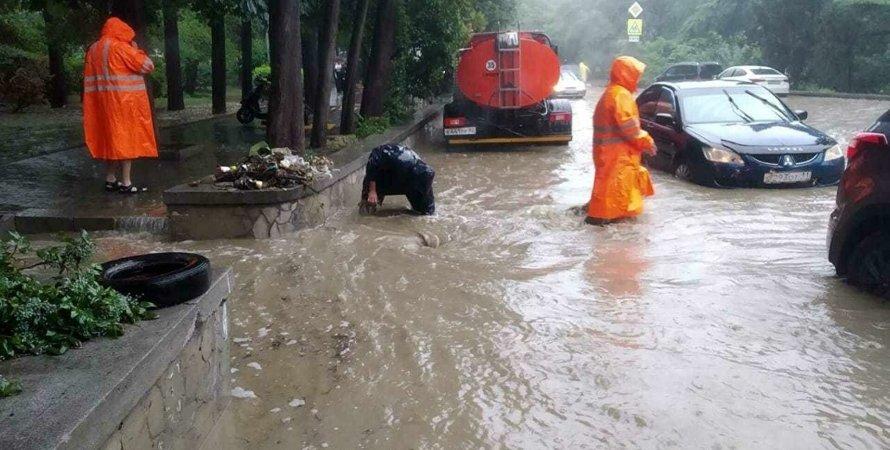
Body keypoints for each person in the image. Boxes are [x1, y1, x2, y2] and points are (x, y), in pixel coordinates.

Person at [82, 17, 158, 194]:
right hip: (123, 103)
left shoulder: (93, 49)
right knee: (126, 141)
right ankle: (126, 183)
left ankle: (110, 178)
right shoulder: (121, 48)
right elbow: (148, 66)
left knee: (110, 140)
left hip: (100, 105)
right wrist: (136, 50)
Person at [586, 56, 657, 225]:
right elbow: (631, 130)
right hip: (618, 159)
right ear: (627, 74)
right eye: (636, 74)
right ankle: (603, 224)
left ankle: (597, 219)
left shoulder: (610, 93)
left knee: (607, 195)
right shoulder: (621, 96)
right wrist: (648, 142)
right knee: (617, 200)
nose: (638, 79)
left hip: (609, 157)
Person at [360, 144, 436, 215]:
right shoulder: (403, 161)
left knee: (425, 211)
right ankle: (366, 213)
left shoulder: (425, 177)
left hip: (406, 181)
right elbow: (373, 159)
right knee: (369, 204)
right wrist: (372, 190)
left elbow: (429, 205)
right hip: (383, 178)